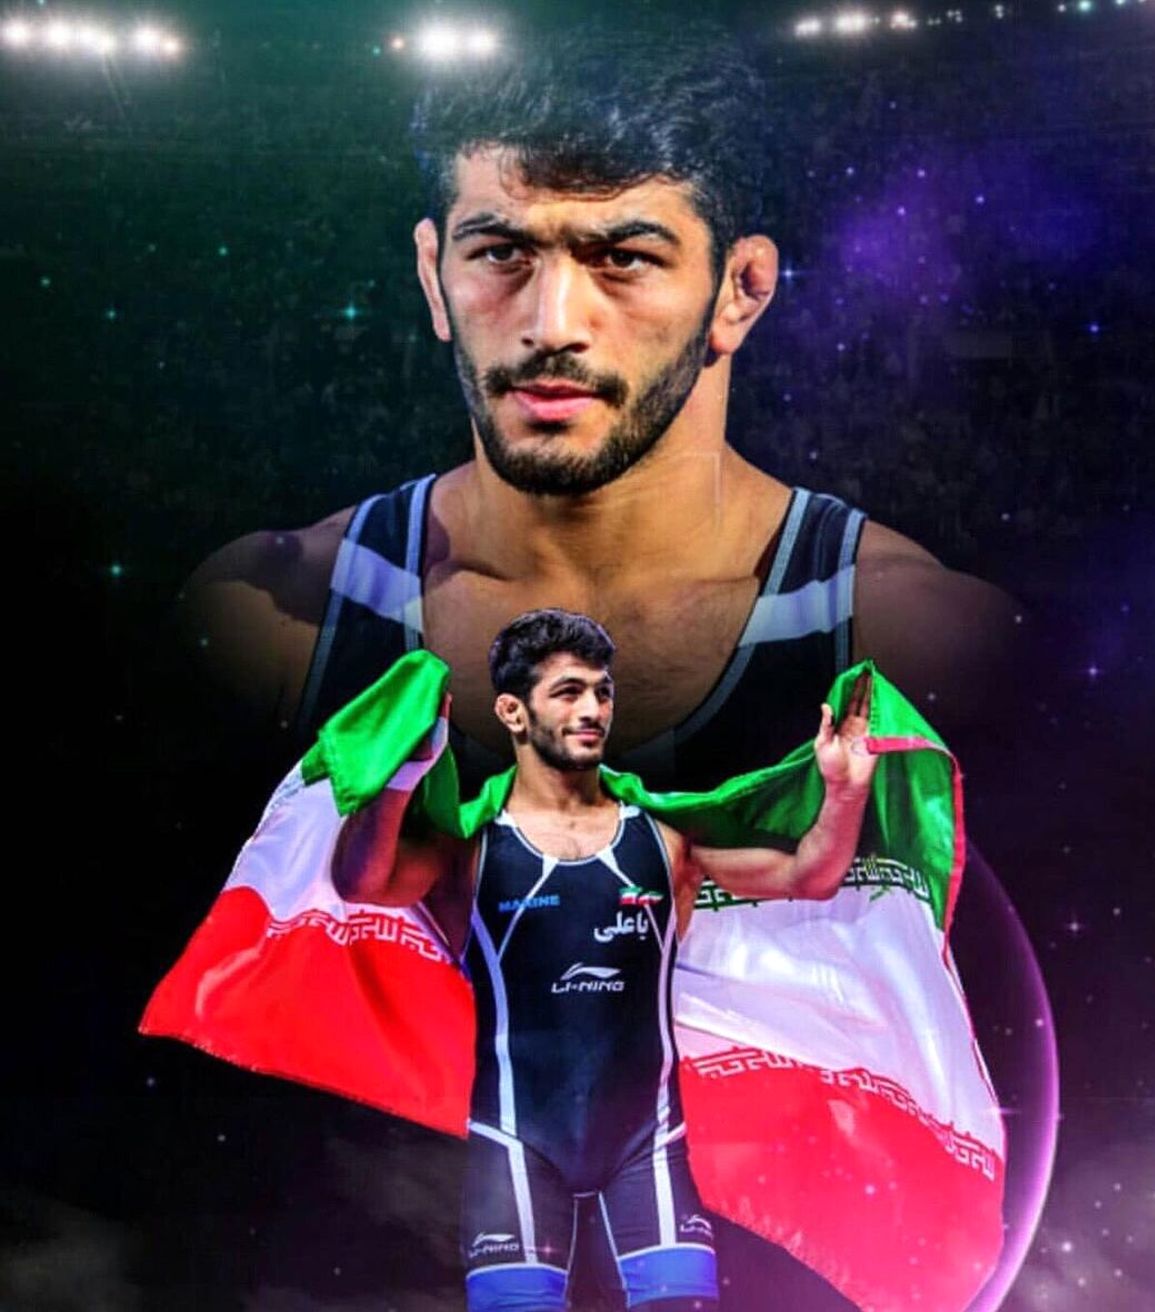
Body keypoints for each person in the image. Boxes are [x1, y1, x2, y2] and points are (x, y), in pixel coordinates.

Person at [178, 22, 1019, 794]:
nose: (552, 326)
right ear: (434, 278)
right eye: (500, 252)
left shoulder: (916, 642)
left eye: (622, 258)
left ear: (740, 289)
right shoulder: (272, 618)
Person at [328, 608, 877, 1312]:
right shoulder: (472, 849)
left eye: (602, 692)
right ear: (513, 712)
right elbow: (361, 882)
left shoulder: (664, 843)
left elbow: (809, 875)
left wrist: (846, 790)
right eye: (568, 692)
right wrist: (403, 774)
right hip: (516, 1151)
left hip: (650, 1149)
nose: (592, 710)